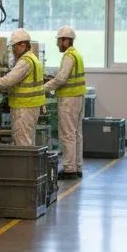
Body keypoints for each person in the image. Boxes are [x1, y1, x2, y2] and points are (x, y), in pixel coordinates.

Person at [44, 25, 85, 179]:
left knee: (67, 134)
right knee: (76, 134)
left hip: (69, 99)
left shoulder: (68, 56)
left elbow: (61, 78)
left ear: (66, 41)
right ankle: (77, 166)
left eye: (60, 41)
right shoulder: (76, 55)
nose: (58, 44)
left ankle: (69, 169)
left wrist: (44, 88)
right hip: (78, 98)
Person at [0, 28, 45, 147]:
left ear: (23, 45)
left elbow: (8, 81)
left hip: (24, 108)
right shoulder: (33, 58)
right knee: (28, 142)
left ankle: (24, 166)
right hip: (30, 107)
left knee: (22, 145)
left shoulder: (25, 61)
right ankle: (29, 166)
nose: (13, 50)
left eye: (14, 46)